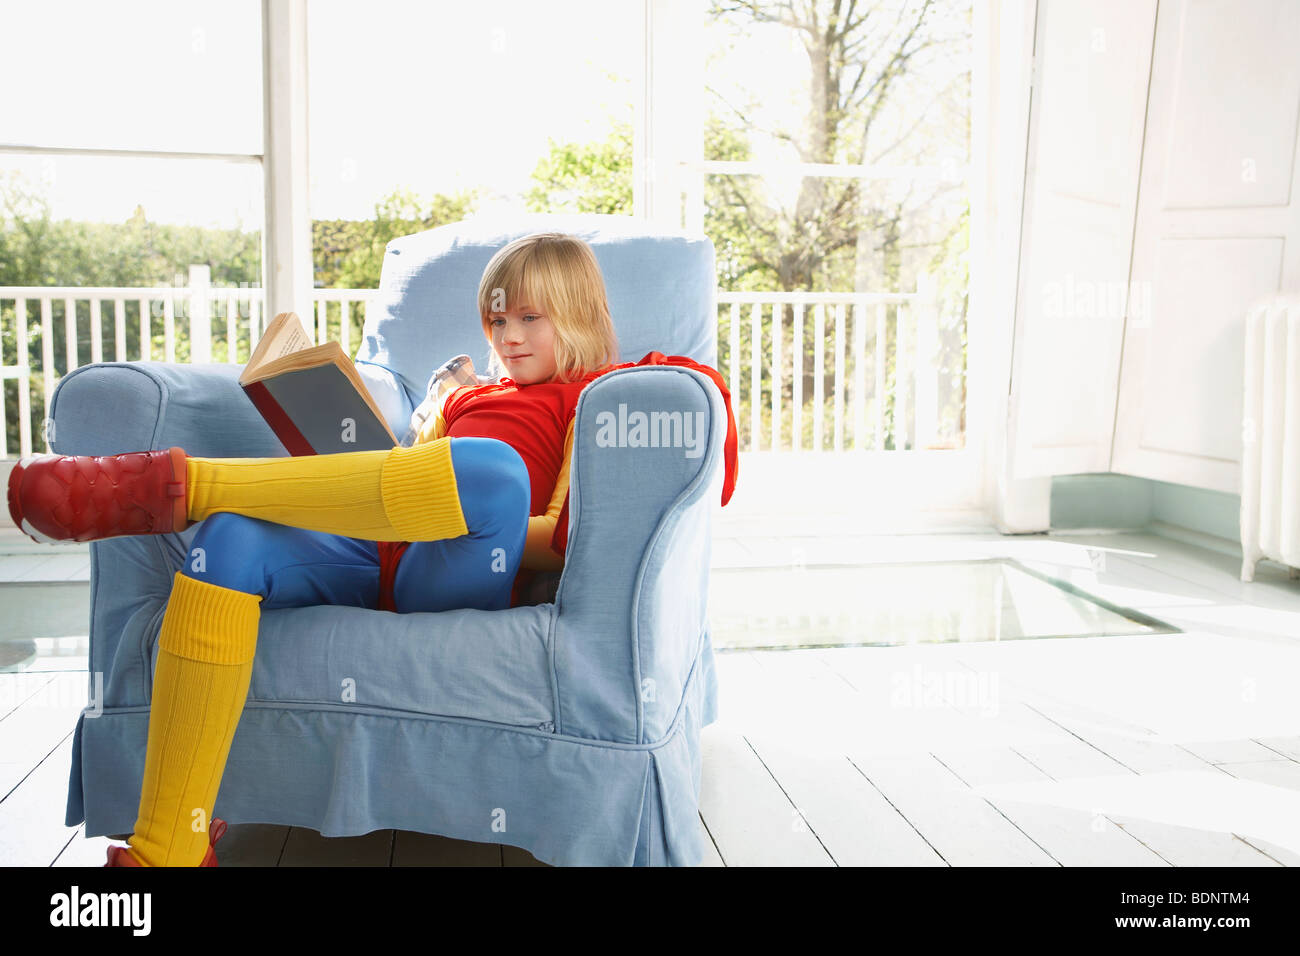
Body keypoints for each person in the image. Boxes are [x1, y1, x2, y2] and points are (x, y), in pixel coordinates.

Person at [7, 232, 624, 866]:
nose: (507, 336)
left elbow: (559, 537)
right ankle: (169, 847)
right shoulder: (468, 394)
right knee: (228, 542)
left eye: (529, 318)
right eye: (496, 319)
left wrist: (454, 519)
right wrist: (364, 452)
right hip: (377, 544)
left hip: (459, 569)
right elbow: (403, 475)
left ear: (577, 314)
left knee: (491, 471)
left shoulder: (593, 396)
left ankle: (176, 485)